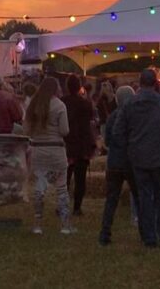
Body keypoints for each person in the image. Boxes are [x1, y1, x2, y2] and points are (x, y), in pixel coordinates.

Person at [113, 68, 160, 248]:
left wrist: (128, 148)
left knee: (144, 197)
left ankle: (149, 237)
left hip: (138, 158)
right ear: (155, 83)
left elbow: (118, 132)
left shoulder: (129, 105)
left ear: (139, 82)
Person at [23, 76, 73, 235]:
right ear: (55, 88)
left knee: (39, 188)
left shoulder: (34, 105)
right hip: (56, 151)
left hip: (38, 151)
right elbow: (65, 130)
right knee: (62, 189)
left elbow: (27, 130)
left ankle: (37, 224)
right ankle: (65, 225)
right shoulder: (60, 106)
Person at [99, 85, 139, 245]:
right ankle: (144, 230)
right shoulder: (136, 117)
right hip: (132, 161)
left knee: (111, 199)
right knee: (139, 197)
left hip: (114, 161)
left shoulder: (112, 117)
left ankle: (105, 233)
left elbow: (107, 141)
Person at [62, 73, 96, 216]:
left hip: (67, 143)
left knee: (65, 178)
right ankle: (77, 207)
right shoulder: (86, 103)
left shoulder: (62, 102)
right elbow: (91, 120)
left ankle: (62, 205)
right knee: (80, 178)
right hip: (82, 143)